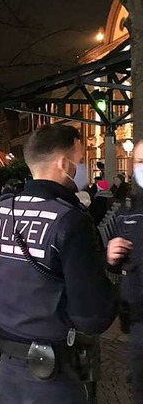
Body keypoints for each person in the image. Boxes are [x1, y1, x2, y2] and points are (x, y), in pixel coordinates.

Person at [0, 124, 117, 403]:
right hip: (56, 372)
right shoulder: (70, 221)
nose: (81, 169)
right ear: (63, 163)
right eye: (80, 161)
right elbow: (92, 315)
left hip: (8, 366)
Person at [106, 139, 143, 402]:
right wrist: (111, 257)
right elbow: (117, 264)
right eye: (140, 162)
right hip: (138, 319)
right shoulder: (128, 210)